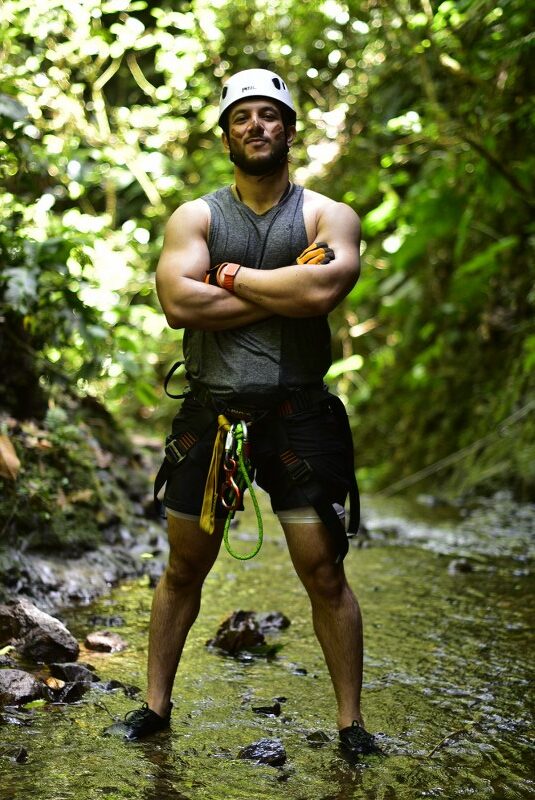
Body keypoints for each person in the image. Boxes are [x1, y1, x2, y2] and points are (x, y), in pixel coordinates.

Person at [104, 68, 378, 757]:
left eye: (269, 115)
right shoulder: (196, 218)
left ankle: (350, 724)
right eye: (242, 117)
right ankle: (155, 706)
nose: (256, 126)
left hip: (298, 413)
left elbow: (324, 289)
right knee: (182, 568)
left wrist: (224, 276)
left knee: (323, 570)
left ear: (288, 127)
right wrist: (288, 285)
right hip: (212, 412)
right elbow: (177, 304)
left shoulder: (326, 216)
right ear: (226, 133)